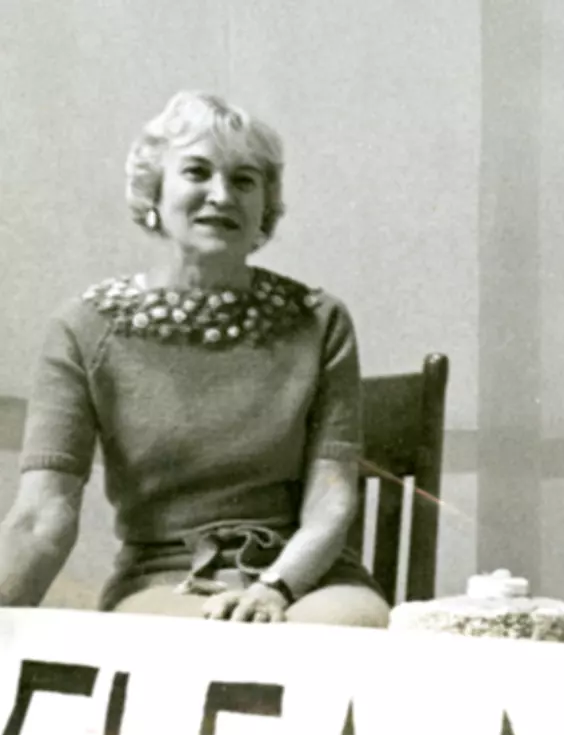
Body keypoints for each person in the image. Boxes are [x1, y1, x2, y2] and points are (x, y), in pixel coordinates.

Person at [0, 92, 388, 626]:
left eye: (245, 180)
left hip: (307, 581)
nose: (221, 195)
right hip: (166, 582)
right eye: (197, 172)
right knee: (192, 646)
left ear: (264, 212)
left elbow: (332, 498)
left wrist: (275, 587)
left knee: (339, 631)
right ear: (153, 192)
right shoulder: (84, 328)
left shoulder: (319, 321)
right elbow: (43, 515)